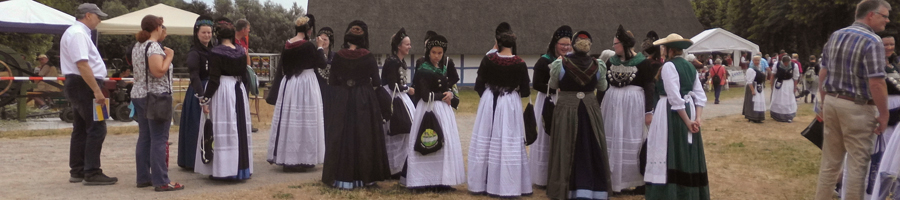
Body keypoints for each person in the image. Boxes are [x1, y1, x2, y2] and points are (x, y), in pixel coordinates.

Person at [815, 1, 891, 199]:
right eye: (884, 15)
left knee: (830, 163)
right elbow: (876, 83)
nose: (887, 19)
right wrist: (884, 114)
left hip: (832, 101)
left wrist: (824, 102)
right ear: (871, 15)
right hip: (857, 107)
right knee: (857, 165)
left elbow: (823, 73)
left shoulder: (835, 35)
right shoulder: (872, 41)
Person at [321, 20, 391, 189]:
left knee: (341, 136)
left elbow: (332, 81)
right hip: (364, 99)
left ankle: (339, 178)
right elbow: (376, 81)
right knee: (364, 136)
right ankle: (366, 178)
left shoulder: (338, 56)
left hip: (343, 97)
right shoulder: (368, 57)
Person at [467, 22, 533, 197]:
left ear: (499, 43)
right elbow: (526, 91)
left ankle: (482, 182)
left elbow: (479, 85)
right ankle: (508, 185)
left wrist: (489, 98)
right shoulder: (520, 63)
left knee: (487, 139)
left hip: (490, 101)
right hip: (509, 102)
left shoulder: (488, 60)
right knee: (508, 141)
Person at [546, 30, 611, 199]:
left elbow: (553, 84)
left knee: (566, 145)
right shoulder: (598, 65)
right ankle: (592, 190)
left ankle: (566, 189)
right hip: (590, 108)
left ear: (573, 45)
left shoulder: (560, 64)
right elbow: (603, 87)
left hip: (567, 108)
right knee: (590, 145)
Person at [644, 33, 709, 200]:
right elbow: (700, 96)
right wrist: (697, 118)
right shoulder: (689, 67)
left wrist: (688, 122)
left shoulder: (669, 66)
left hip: (670, 113)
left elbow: (674, 98)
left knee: (671, 150)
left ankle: (671, 194)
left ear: (668, 50)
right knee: (684, 151)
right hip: (689, 110)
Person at [600, 26, 662, 193]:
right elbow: (603, 85)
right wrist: (598, 107)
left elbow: (649, 86)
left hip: (634, 107)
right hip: (612, 106)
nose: (614, 46)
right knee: (612, 139)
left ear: (625, 44)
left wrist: (648, 111)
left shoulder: (642, 62)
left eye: (616, 43)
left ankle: (636, 181)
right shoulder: (610, 62)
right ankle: (614, 181)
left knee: (634, 140)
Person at [61, 3, 117, 185]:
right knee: (97, 127)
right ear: (88, 15)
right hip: (85, 84)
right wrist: (96, 89)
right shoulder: (78, 34)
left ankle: (78, 169)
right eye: (98, 16)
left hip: (78, 83)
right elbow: (82, 64)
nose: (100, 20)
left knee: (80, 128)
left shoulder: (76, 32)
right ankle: (92, 172)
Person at [194, 18, 254, 180]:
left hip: (222, 90)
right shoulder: (241, 51)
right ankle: (240, 168)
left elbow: (214, 80)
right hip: (238, 88)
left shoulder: (215, 53)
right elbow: (244, 75)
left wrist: (205, 98)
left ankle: (223, 169)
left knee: (222, 128)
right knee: (238, 127)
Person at [405, 33, 465, 191]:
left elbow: (447, 84)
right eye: (434, 53)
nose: (437, 56)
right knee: (426, 139)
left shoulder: (443, 67)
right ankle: (421, 181)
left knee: (443, 143)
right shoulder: (422, 69)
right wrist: (442, 96)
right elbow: (424, 95)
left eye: (440, 53)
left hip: (443, 110)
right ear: (428, 52)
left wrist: (450, 93)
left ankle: (441, 180)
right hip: (428, 109)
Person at [130, 15, 184, 191]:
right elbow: (158, 71)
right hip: (155, 96)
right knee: (159, 139)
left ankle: (143, 177)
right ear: (158, 27)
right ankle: (161, 180)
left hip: (139, 94)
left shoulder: (138, 46)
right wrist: (169, 56)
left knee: (145, 137)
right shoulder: (153, 47)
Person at [267, 14, 327, 172]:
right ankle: (303, 159)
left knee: (291, 120)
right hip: (306, 83)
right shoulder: (308, 46)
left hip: (290, 84)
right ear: (309, 30)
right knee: (305, 121)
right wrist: (320, 47)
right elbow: (321, 63)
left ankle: (289, 158)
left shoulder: (287, 44)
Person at [529, 25, 572, 188]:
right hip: (548, 101)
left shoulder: (573, 61)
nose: (566, 48)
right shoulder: (544, 61)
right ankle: (543, 177)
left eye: (568, 45)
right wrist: (554, 89)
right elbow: (537, 84)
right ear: (555, 44)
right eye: (563, 45)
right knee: (546, 137)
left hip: (566, 102)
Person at [177, 15, 214, 170]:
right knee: (195, 126)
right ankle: (192, 161)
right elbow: (194, 75)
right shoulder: (194, 53)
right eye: (203, 32)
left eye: (209, 33)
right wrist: (202, 98)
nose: (206, 35)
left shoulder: (214, 50)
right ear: (197, 33)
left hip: (211, 89)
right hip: (198, 91)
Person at [381, 28, 416, 178]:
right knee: (395, 133)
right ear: (399, 46)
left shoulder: (400, 61)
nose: (409, 47)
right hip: (393, 98)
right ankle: (392, 167)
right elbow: (392, 85)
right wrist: (408, 89)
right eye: (407, 44)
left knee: (406, 133)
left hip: (401, 97)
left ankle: (402, 165)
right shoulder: (392, 61)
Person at [233, 18, 258, 133]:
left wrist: (249, 69)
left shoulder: (244, 40)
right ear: (243, 29)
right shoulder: (232, 40)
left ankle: (246, 123)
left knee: (245, 98)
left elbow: (246, 53)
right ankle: (235, 123)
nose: (249, 31)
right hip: (235, 74)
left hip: (244, 74)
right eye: (248, 29)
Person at [770, 56, 800, 122]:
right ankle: (777, 115)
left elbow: (796, 77)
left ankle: (789, 115)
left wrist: (795, 87)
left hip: (789, 84)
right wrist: (771, 84)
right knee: (779, 98)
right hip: (779, 83)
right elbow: (773, 75)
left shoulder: (794, 65)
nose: (786, 64)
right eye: (784, 63)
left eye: (787, 63)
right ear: (782, 62)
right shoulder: (777, 64)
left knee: (788, 98)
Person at [743, 56, 766, 123]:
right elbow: (749, 81)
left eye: (758, 61)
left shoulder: (759, 68)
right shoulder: (750, 70)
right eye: (755, 60)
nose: (757, 62)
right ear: (753, 61)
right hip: (753, 86)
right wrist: (752, 90)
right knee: (752, 102)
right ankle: (752, 117)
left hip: (758, 86)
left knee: (759, 101)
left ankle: (759, 117)